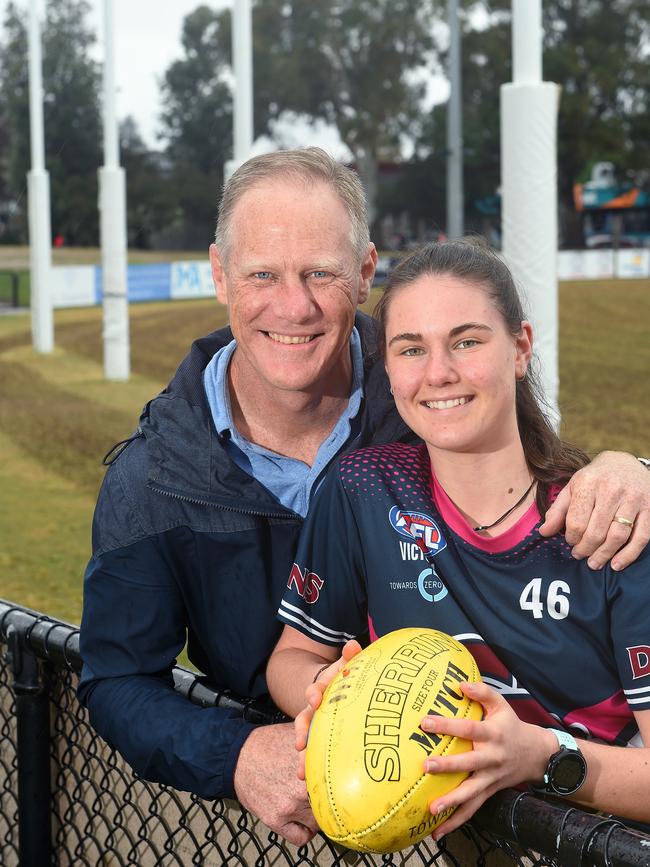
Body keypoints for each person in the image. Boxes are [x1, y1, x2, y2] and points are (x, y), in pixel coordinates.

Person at [79, 148, 650, 846]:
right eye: (263, 273)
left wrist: (635, 467)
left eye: (320, 272)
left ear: (364, 272)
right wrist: (237, 752)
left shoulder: (425, 402)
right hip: (282, 804)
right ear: (221, 275)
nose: (294, 304)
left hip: (524, 814)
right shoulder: (154, 479)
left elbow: (531, 457)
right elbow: (116, 681)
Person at [266, 238, 650, 837]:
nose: (439, 373)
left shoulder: (607, 523)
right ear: (387, 368)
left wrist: (541, 755)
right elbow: (293, 657)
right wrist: (328, 692)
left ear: (520, 347)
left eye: (467, 341)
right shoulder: (365, 490)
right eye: (411, 349)